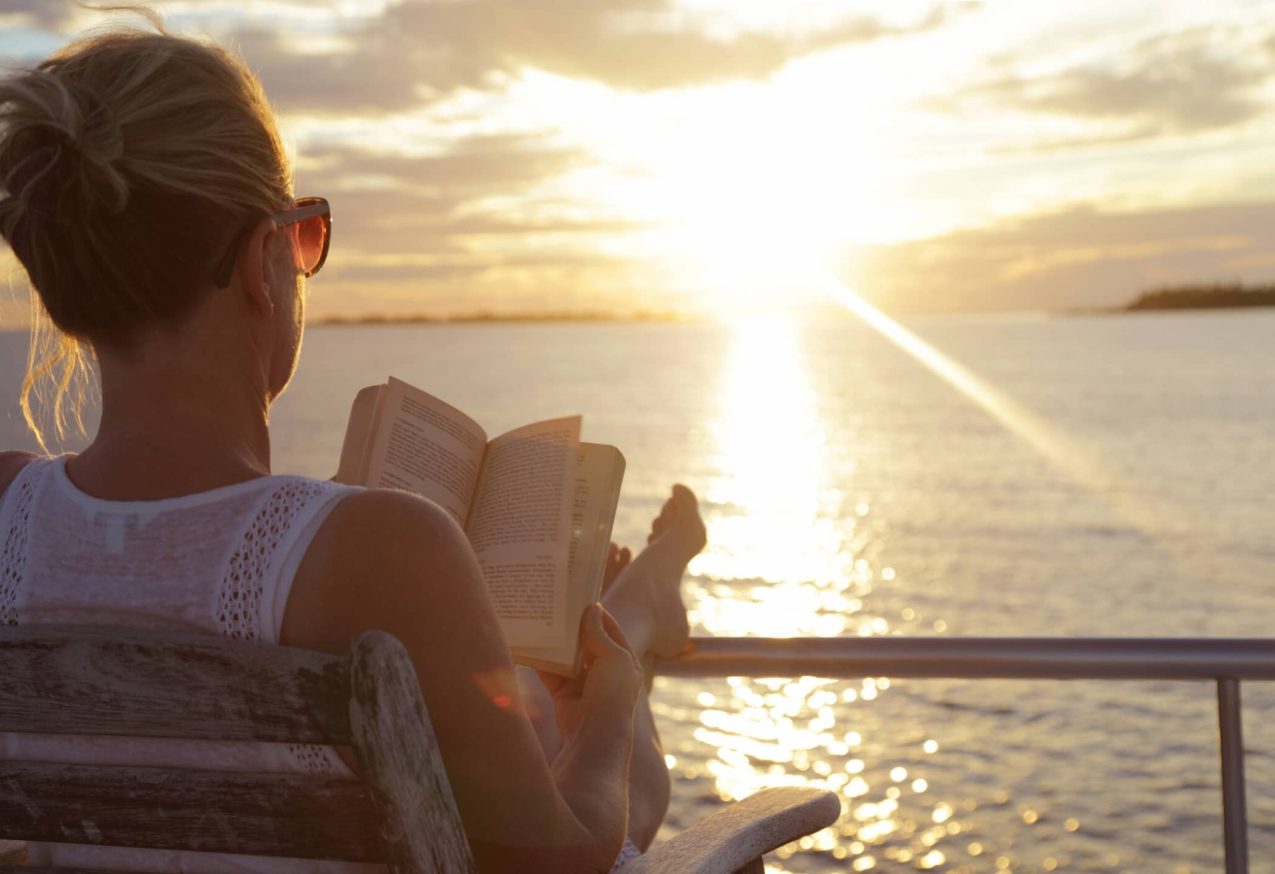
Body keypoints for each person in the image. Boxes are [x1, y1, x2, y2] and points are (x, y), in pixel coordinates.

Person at [0, 19, 706, 873]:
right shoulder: (382, 550)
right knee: (610, 756)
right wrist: (616, 703)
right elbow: (558, 859)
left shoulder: (8, 510)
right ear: (264, 262)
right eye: (303, 237)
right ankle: (636, 614)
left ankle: (636, 601)